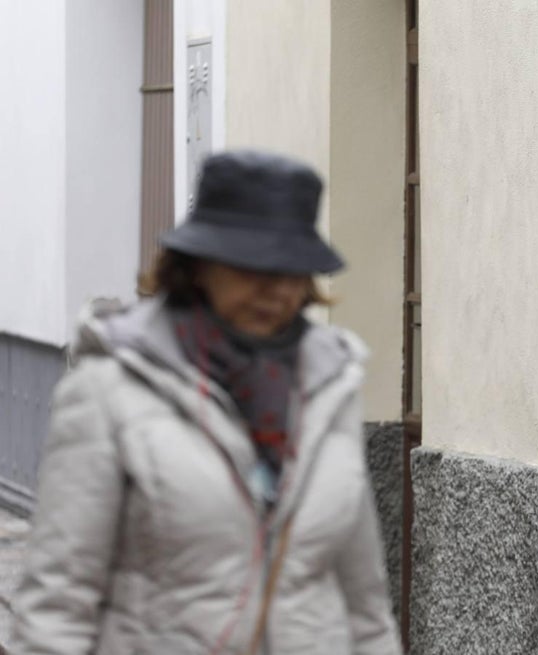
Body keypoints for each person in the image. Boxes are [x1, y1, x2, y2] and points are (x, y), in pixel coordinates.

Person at [13, 151, 402, 654]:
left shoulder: (329, 388)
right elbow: (56, 605)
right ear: (197, 267)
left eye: (291, 271)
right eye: (250, 268)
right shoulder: (108, 392)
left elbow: (364, 605)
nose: (274, 290)